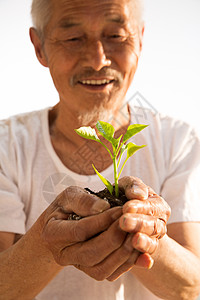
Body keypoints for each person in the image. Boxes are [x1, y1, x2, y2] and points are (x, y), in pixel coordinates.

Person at [0, 0, 200, 299]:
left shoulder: (178, 141)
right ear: (39, 46)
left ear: (140, 39)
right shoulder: (7, 146)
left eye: (116, 36)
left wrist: (147, 235)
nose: (97, 60)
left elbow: (191, 286)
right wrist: (47, 244)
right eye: (73, 38)